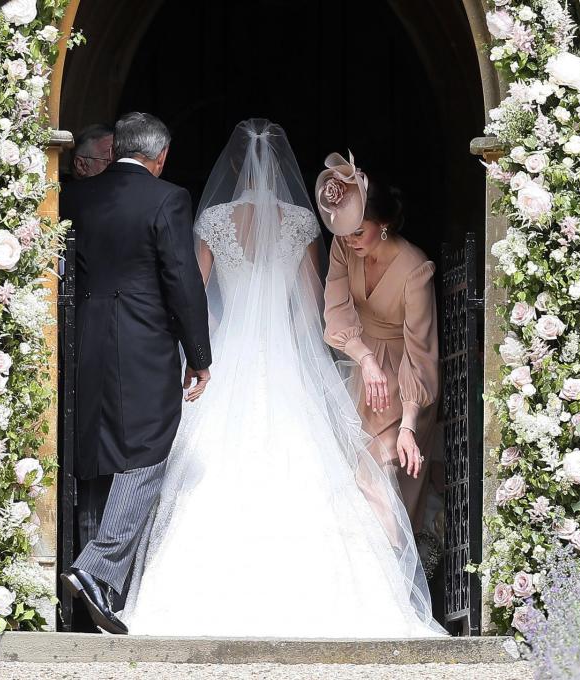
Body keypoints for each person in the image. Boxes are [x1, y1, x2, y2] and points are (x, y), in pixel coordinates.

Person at [121, 119, 445, 638]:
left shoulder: (215, 221)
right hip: (286, 361)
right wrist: (308, 362)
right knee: (312, 465)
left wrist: (201, 351)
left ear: (230, 168)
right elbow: (311, 303)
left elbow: (194, 296)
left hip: (225, 357)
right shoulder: (299, 222)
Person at [58, 112, 212, 635]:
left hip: (85, 340)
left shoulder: (78, 197)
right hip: (143, 342)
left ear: (118, 147)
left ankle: (92, 587)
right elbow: (182, 278)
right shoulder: (167, 198)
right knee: (147, 449)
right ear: (161, 156)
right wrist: (199, 354)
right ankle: (96, 570)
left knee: (98, 450)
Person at [318, 152, 441, 538]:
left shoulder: (415, 269)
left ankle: (393, 590)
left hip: (405, 389)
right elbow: (336, 311)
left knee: (379, 484)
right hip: (358, 374)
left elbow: (421, 354)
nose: (351, 241)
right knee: (345, 483)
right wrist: (365, 358)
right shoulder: (342, 248)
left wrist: (408, 425)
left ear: (384, 224)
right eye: (346, 232)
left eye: (359, 231)